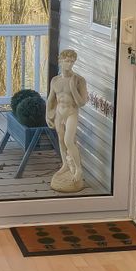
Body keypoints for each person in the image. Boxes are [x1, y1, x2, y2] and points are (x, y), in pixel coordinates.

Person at [46, 49, 88, 192]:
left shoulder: (79, 80)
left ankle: (78, 169)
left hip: (71, 113)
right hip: (59, 113)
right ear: (60, 61)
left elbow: (82, 103)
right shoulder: (55, 80)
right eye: (66, 61)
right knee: (61, 139)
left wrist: (72, 88)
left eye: (72, 61)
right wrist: (48, 115)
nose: (69, 64)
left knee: (69, 141)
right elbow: (50, 99)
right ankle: (65, 164)